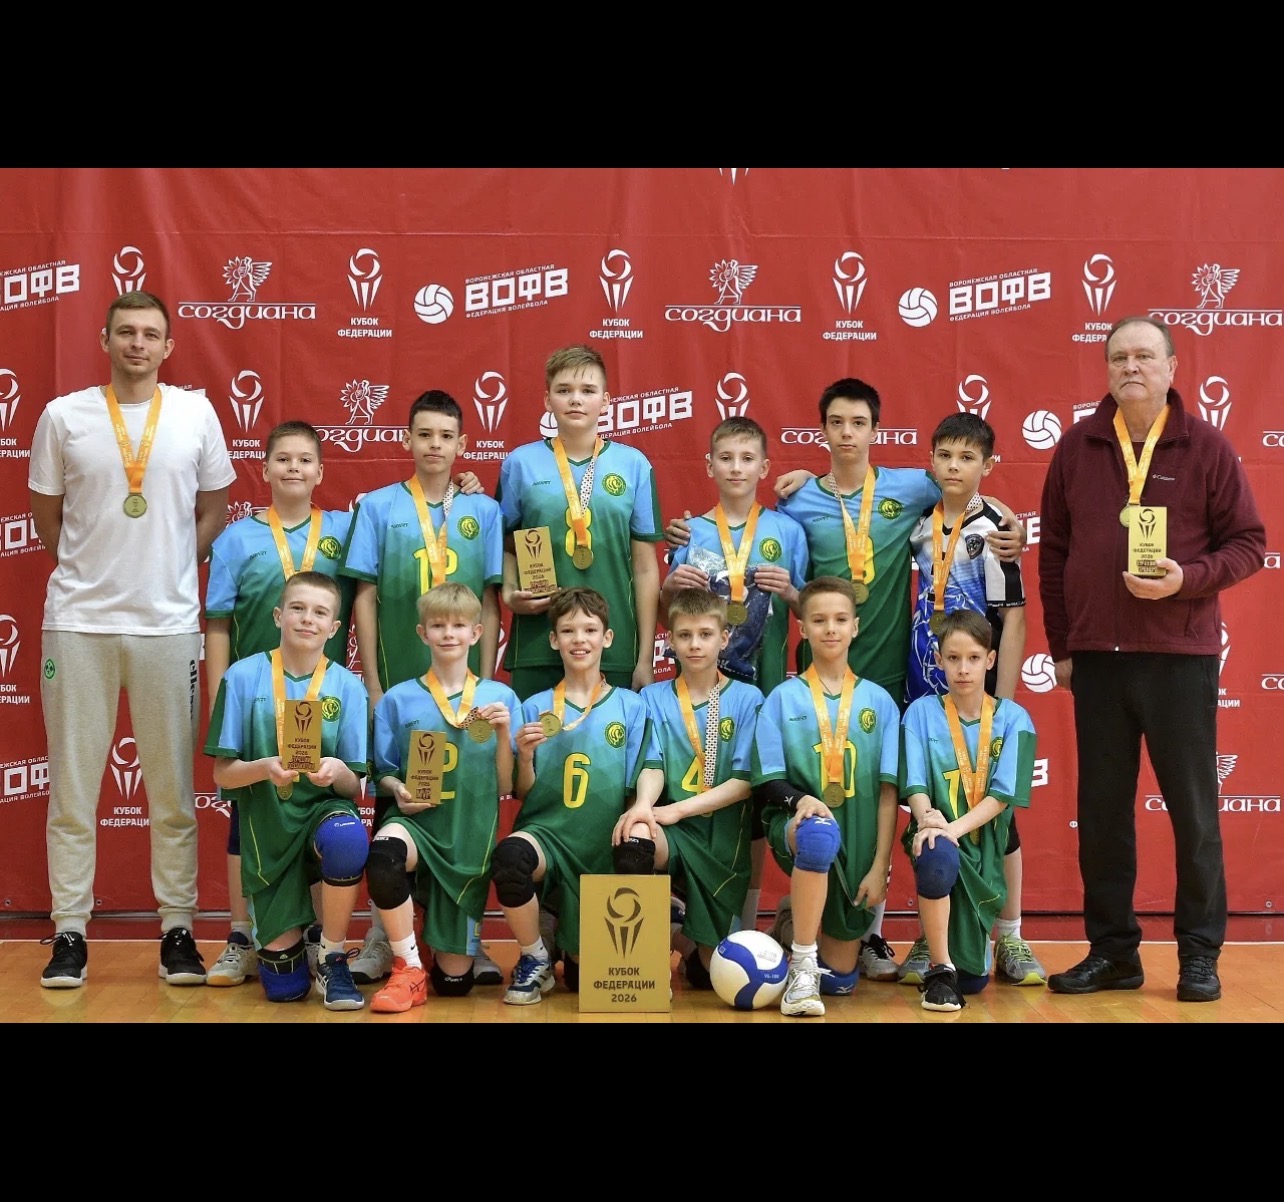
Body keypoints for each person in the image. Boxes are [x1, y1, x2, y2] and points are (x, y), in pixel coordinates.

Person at [1040, 315, 1265, 1003]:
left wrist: (1186, 580)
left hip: (1177, 658)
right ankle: (1114, 953)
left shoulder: (1207, 447)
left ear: (1171, 367)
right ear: (1107, 370)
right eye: (1119, 358)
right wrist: (1063, 648)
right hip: (1099, 663)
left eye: (1144, 356)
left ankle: (1199, 954)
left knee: (1194, 814)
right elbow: (1054, 554)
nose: (1130, 367)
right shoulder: (1077, 446)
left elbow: (1249, 544)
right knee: (1102, 815)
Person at [30, 289, 235, 989]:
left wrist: (171, 566)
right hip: (78, 624)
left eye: (150, 334)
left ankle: (178, 929)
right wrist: (89, 570)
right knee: (72, 791)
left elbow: (214, 508)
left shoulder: (196, 413)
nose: (137, 344)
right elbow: (47, 517)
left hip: (167, 626)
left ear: (168, 346)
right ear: (105, 340)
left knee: (173, 792)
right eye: (126, 332)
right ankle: (69, 932)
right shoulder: (64, 416)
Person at [338, 389, 505, 986]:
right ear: (407, 439)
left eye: (446, 436)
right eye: (424, 434)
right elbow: (363, 596)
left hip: (464, 688)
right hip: (401, 684)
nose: (435, 445)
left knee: (465, 805)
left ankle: (464, 938)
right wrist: (373, 681)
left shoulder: (483, 510)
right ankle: (383, 937)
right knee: (397, 802)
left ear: (463, 444)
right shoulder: (378, 507)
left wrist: (486, 677)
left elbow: (491, 599)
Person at [203, 420, 355, 987]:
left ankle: (314, 935)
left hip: (317, 696)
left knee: (312, 803)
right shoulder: (236, 539)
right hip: (255, 699)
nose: (294, 467)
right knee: (247, 814)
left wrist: (460, 485)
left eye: (305, 460)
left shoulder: (345, 529)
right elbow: (218, 623)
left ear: (320, 471)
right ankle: (241, 935)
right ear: (264, 468)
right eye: (283, 459)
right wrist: (220, 697)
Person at [895, 412, 1044, 989]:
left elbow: (1014, 618)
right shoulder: (919, 526)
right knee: (929, 811)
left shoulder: (995, 530)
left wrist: (1000, 702)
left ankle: (1010, 934)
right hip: (925, 687)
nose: (954, 467)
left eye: (967, 458)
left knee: (1000, 817)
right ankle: (929, 936)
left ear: (988, 465)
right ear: (931, 462)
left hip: (979, 693)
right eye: (945, 456)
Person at [660, 415, 807, 935]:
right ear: (709, 466)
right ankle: (691, 919)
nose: (736, 468)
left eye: (747, 459)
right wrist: (669, 587)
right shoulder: (690, 532)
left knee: (753, 806)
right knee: (690, 794)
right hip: (696, 694)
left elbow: (811, 612)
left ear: (765, 468)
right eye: (726, 458)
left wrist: (792, 592)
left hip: (762, 692)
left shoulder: (788, 531)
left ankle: (743, 924)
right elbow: (669, 617)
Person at [205, 572, 371, 1009]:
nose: (307, 619)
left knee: (348, 837)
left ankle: (332, 955)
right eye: (298, 608)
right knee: (285, 990)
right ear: (279, 615)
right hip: (267, 829)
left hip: (322, 813)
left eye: (320, 612)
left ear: (335, 628)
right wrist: (264, 768)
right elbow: (223, 774)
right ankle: (289, 943)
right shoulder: (241, 677)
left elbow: (354, 785)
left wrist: (337, 770)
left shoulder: (348, 686)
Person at [750, 577, 901, 1017]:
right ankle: (800, 963)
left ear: (855, 626)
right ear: (803, 628)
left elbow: (888, 793)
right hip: (797, 826)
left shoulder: (880, 703)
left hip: (858, 843)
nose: (830, 629)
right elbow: (768, 781)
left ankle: (791, 922)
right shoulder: (781, 699)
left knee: (839, 982)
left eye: (840, 619)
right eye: (819, 620)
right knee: (817, 836)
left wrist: (879, 865)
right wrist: (799, 802)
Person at [366, 583, 519, 1011]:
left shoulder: (501, 699)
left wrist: (504, 734)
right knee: (384, 854)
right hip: (417, 825)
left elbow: (507, 786)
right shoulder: (397, 699)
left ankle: (433, 937)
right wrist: (398, 789)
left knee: (453, 984)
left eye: (458, 625)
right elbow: (384, 773)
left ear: (477, 633)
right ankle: (408, 965)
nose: (448, 633)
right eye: (438, 625)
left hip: (468, 839)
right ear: (422, 633)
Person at [494, 587, 650, 1005]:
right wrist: (526, 756)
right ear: (554, 640)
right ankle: (535, 957)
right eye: (568, 631)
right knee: (511, 858)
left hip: (603, 841)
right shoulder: (535, 706)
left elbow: (640, 780)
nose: (579, 639)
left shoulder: (632, 707)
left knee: (587, 982)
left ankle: (568, 933)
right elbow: (521, 791)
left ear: (607, 638)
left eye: (589, 630)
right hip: (548, 836)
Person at [612, 588, 765, 987]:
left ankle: (682, 932)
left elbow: (745, 782)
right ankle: (644, 970)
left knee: (709, 975)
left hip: (722, 842)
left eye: (705, 634)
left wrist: (679, 808)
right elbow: (652, 764)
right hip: (674, 833)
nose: (695, 644)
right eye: (684, 635)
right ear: (670, 640)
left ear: (724, 638)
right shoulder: (653, 697)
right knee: (635, 837)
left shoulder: (748, 698)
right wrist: (643, 805)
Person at [496, 344, 663, 697]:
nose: (575, 399)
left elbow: (646, 567)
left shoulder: (634, 465)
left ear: (605, 401)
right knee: (535, 733)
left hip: (614, 644)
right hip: (539, 641)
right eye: (564, 390)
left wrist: (645, 656)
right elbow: (507, 544)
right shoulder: (519, 464)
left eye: (587, 390)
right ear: (547, 400)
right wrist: (510, 593)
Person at [899, 610, 1037, 1012]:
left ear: (990, 660)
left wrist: (951, 829)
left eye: (974, 658)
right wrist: (928, 820)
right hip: (937, 837)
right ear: (938, 660)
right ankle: (939, 966)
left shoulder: (1014, 719)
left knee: (974, 981)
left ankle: (982, 944)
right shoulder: (920, 713)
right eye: (953, 658)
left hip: (982, 846)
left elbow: (1002, 797)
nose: (963, 669)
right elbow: (915, 785)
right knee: (936, 854)